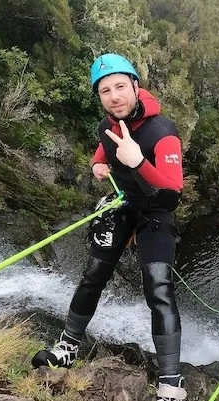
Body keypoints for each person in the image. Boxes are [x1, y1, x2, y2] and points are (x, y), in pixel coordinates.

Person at [31, 53, 186, 401]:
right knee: (93, 274)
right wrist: (98, 167)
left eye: (120, 87)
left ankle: (171, 383)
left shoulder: (164, 133)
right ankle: (68, 348)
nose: (114, 96)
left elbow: (172, 195)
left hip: (156, 212)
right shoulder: (107, 126)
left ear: (135, 86)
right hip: (124, 206)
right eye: (105, 91)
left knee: (158, 287)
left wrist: (139, 162)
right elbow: (101, 154)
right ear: (99, 97)